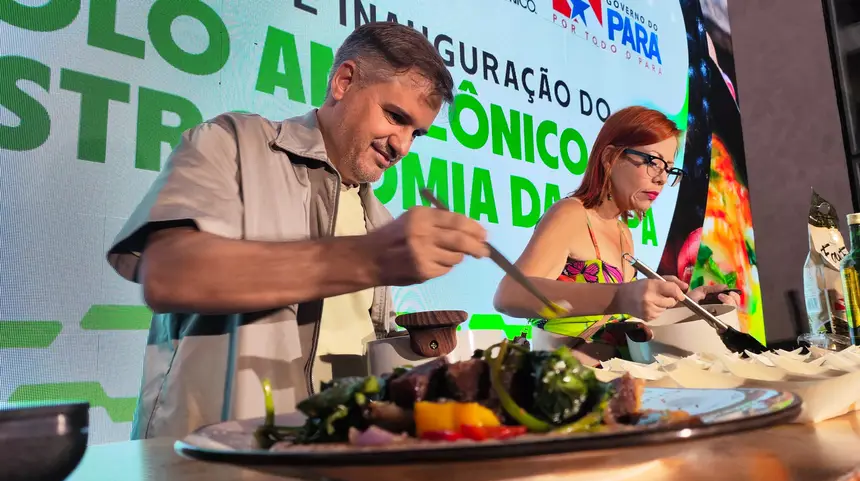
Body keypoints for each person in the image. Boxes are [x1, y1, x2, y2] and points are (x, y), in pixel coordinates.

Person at [107, 23, 695, 440]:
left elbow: (347, 358)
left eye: (417, 132)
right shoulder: (233, 143)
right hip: (209, 458)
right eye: (395, 117)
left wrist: (422, 353)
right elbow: (169, 274)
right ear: (344, 81)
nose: (403, 145)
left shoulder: (376, 215)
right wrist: (369, 259)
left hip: (323, 454)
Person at [493, 106, 739, 346]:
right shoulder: (571, 214)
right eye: (653, 162)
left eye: (668, 168)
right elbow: (510, 295)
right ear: (610, 157)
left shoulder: (623, 232)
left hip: (613, 370)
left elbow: (612, 320)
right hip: (565, 370)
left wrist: (686, 306)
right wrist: (621, 295)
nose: (662, 178)